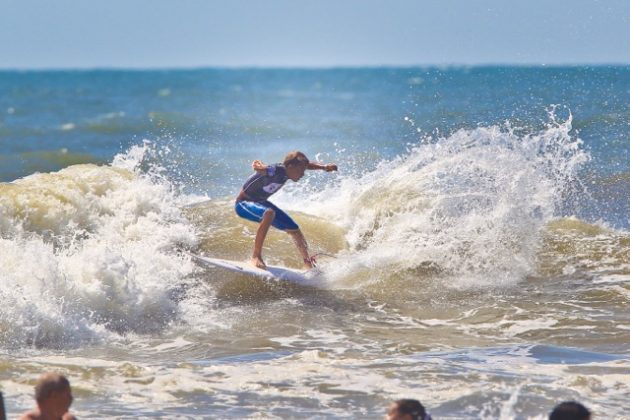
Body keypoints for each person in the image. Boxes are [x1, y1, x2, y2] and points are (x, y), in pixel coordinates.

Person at [235, 151, 337, 269]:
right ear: (290, 166)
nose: (302, 174)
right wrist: (259, 166)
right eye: (300, 171)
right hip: (243, 203)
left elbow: (307, 165)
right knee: (269, 213)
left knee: (295, 229)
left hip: (261, 202)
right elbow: (263, 169)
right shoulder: (276, 170)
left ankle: (308, 263)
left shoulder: (288, 171)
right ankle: (256, 256)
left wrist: (324, 167)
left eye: (303, 170)